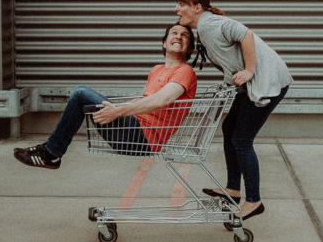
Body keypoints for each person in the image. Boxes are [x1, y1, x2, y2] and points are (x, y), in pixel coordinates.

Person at [174, 0, 292, 221]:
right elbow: (230, 58)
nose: (176, 9)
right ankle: (233, 189)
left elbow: (244, 33)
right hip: (253, 83)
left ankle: (254, 201)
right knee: (229, 129)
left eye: (182, 4)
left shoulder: (210, 24)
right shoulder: (205, 27)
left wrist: (249, 70)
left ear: (197, 8)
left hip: (267, 81)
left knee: (241, 139)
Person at [13, 24, 197, 169]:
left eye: (184, 35)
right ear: (164, 43)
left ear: (189, 48)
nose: (178, 36)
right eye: (174, 33)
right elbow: (143, 100)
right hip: (133, 129)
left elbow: (160, 101)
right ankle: (52, 151)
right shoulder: (157, 69)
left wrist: (117, 112)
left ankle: (51, 152)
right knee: (81, 97)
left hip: (143, 138)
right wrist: (117, 108)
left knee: (80, 93)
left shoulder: (185, 71)